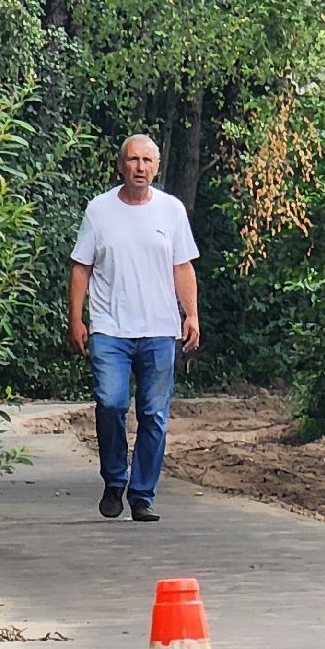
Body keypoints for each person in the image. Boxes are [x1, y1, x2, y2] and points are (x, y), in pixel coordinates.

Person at [67, 134, 201, 522]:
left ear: (156, 167)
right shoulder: (99, 210)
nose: (140, 167)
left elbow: (182, 266)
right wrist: (76, 319)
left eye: (147, 160)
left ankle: (142, 495)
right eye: (133, 160)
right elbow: (81, 267)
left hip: (159, 328)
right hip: (110, 328)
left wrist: (190, 314)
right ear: (121, 164)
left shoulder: (171, 211)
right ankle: (114, 480)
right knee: (110, 403)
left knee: (153, 415)